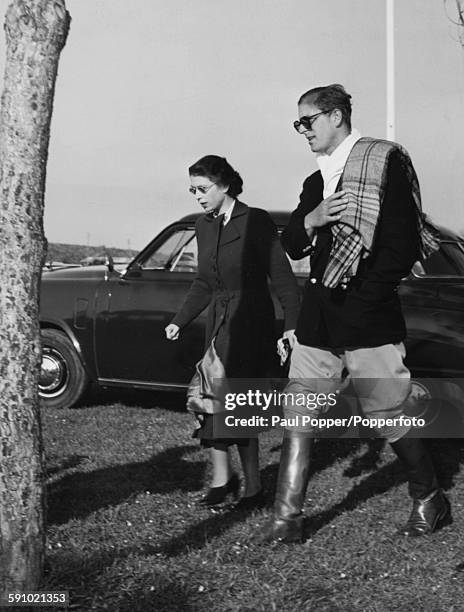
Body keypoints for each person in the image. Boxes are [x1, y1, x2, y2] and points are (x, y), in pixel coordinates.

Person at [259, 84, 450, 543]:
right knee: (299, 409)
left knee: (387, 411)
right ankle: (287, 519)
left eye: (307, 121)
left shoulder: (384, 163)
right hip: (318, 317)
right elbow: (291, 244)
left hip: (368, 315)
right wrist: (311, 220)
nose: (301, 130)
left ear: (336, 116)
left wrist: (367, 293)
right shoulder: (314, 182)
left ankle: (430, 498)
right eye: (298, 123)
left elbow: (401, 244)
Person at [165, 155, 300, 509]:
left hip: (249, 324)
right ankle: (222, 479)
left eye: (203, 189)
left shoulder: (256, 220)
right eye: (192, 189)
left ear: (224, 185)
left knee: (240, 402)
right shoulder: (203, 225)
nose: (197, 196)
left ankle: (253, 487)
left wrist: (291, 327)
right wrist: (180, 320)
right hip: (218, 323)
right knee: (211, 398)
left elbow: (282, 278)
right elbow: (203, 282)